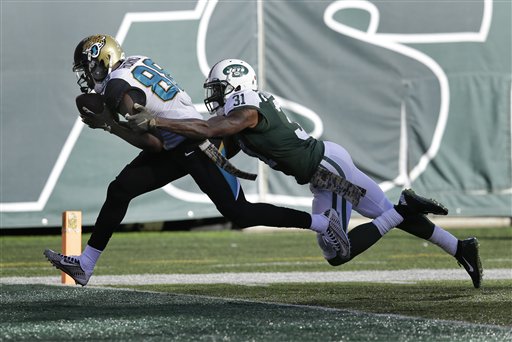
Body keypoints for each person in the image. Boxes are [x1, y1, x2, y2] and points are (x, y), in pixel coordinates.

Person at [127, 58, 483, 288]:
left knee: (340, 250)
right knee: (367, 224)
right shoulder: (243, 111)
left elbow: (213, 131)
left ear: (235, 86)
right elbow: (219, 144)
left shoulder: (246, 108)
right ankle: (458, 246)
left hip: (329, 169)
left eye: (218, 89)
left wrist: (158, 120)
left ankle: (406, 209)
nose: (215, 97)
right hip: (322, 174)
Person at [45, 35, 363, 286]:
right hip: (176, 144)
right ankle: (85, 265)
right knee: (120, 190)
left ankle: (323, 222)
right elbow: (155, 141)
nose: (86, 75)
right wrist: (116, 123)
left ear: (102, 61)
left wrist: (115, 123)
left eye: (87, 67)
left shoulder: (117, 86)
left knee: (240, 212)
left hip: (195, 143)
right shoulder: (132, 65)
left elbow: (150, 136)